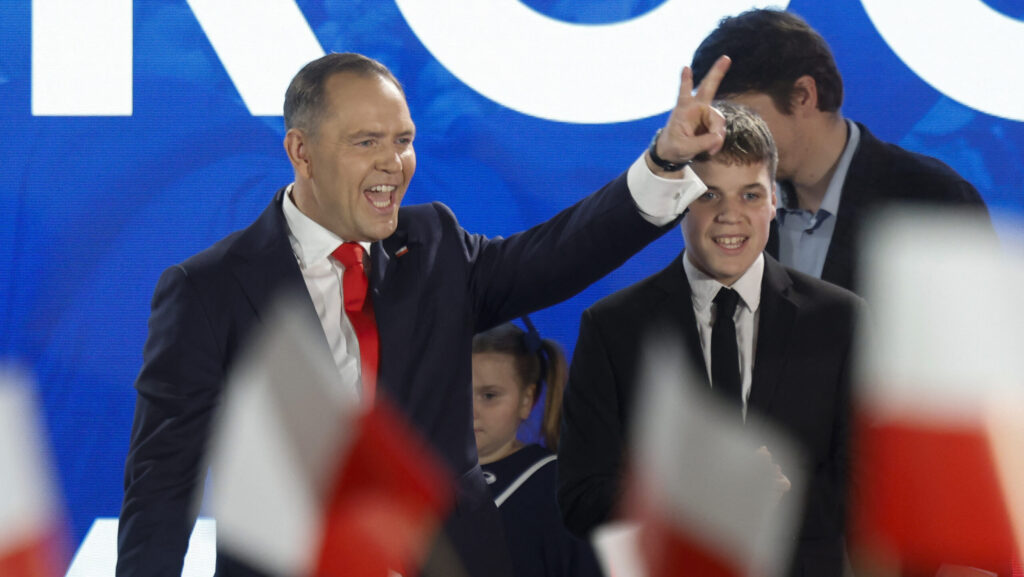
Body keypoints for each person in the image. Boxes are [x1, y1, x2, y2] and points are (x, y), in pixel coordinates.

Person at [117, 52, 733, 577]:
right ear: (300, 152)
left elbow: (555, 256)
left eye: (403, 140)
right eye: (367, 142)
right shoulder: (208, 289)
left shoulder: (433, 244)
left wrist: (664, 162)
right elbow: (163, 478)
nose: (394, 163)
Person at [558, 102, 865, 576]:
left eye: (749, 196)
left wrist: (776, 499)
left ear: (774, 202)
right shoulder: (613, 328)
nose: (729, 216)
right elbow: (581, 499)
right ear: (680, 200)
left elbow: (869, 486)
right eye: (708, 196)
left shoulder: (839, 320)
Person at [690, 8, 992, 293]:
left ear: (803, 96)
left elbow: (972, 336)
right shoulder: (729, 206)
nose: (726, 138)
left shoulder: (931, 200)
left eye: (742, 116)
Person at [472, 320, 602, 577]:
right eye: (459, 392)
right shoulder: (420, 477)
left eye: (489, 396)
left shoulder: (563, 489)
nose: (470, 410)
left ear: (526, 399)